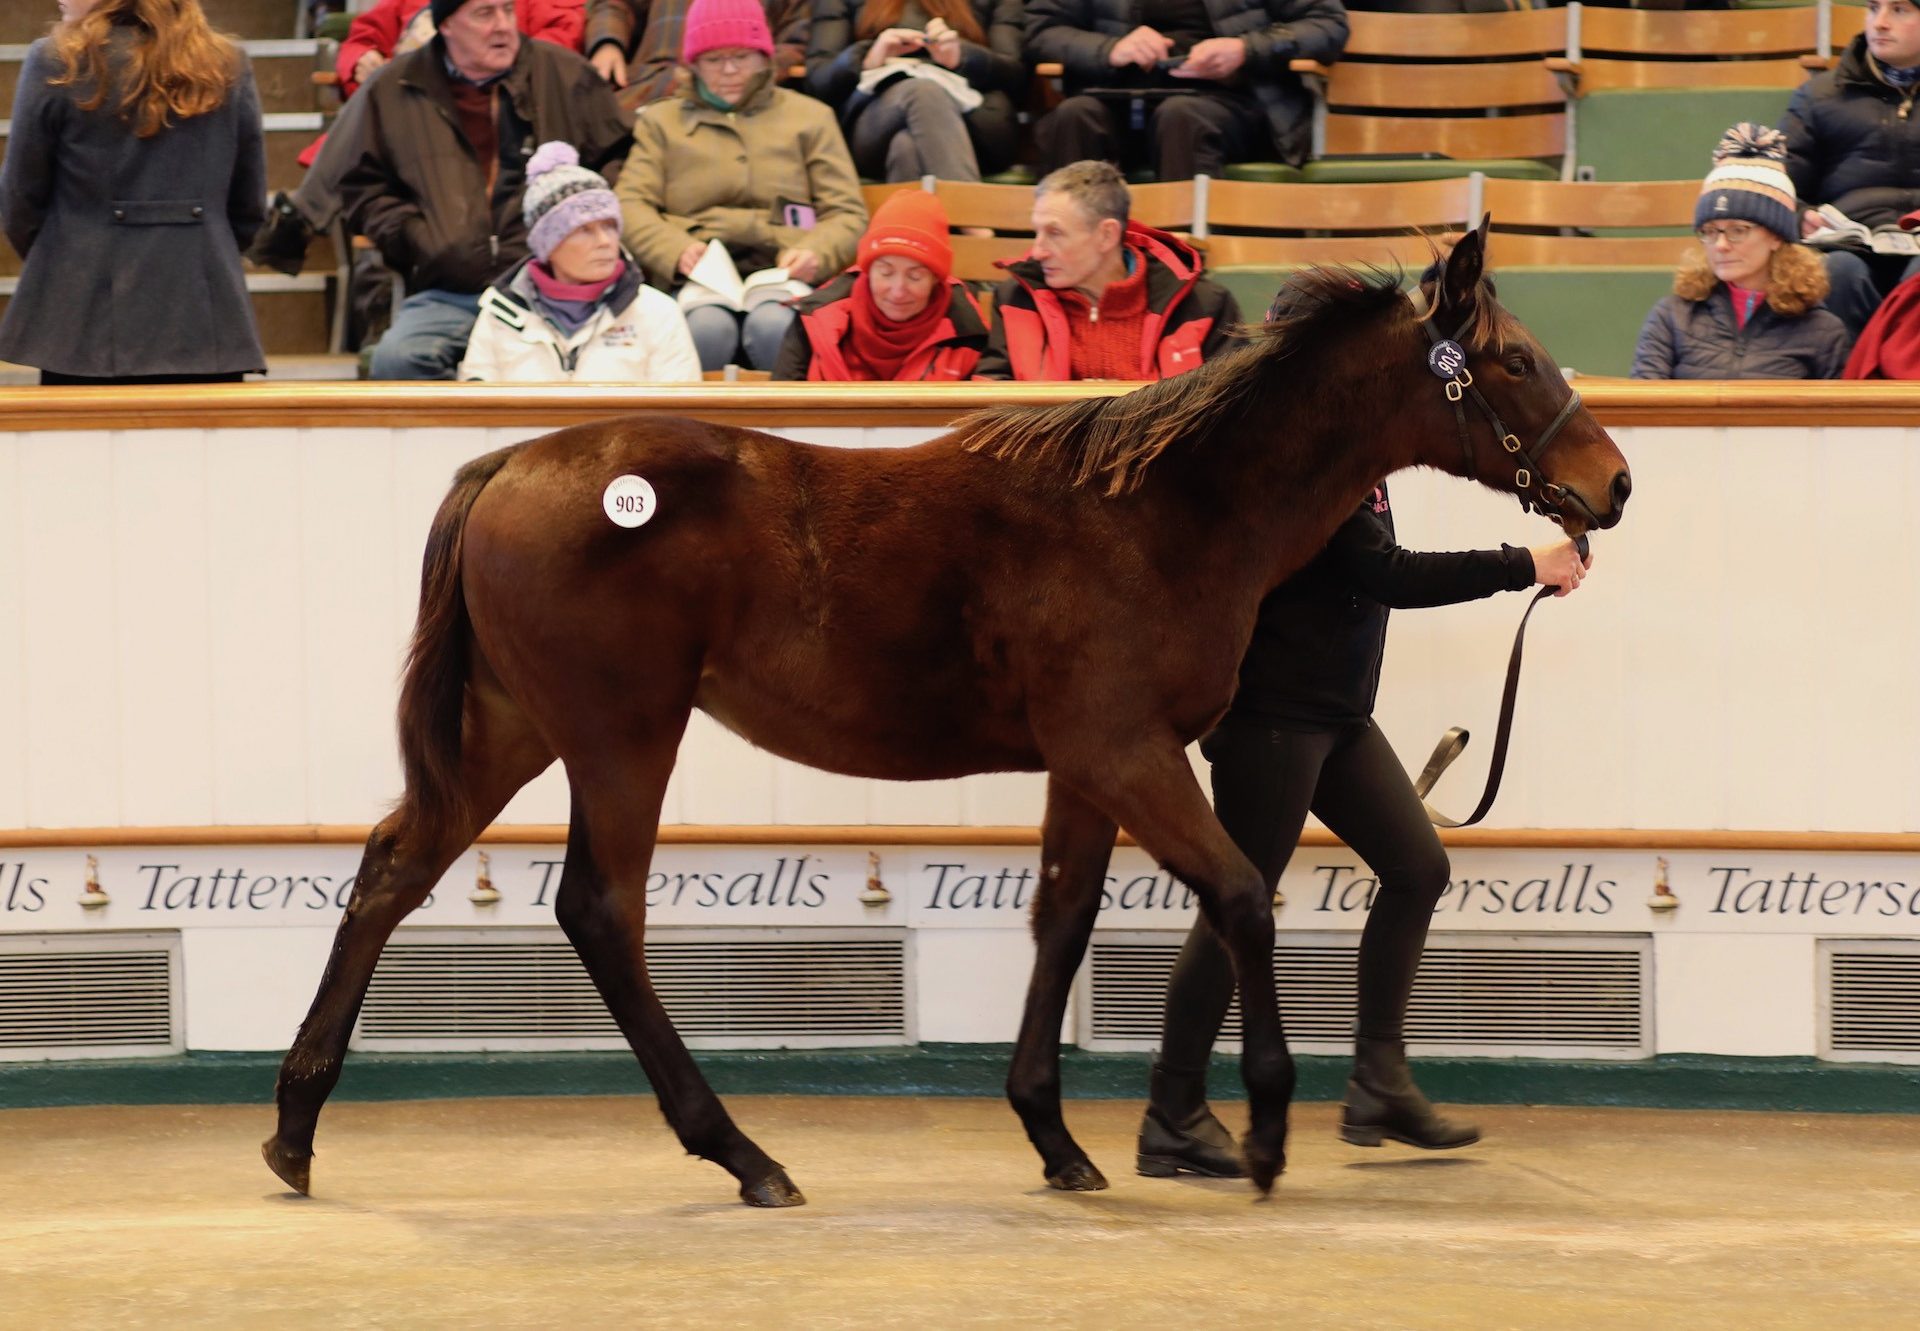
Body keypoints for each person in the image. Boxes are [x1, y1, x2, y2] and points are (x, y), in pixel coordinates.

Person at [1137, 400, 1595, 1179]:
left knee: (1419, 868)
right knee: (1238, 904)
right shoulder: (1295, 453)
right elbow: (1385, 571)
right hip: (1273, 718)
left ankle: (1379, 1081)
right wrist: (1525, 561)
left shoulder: (1350, 450)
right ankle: (1171, 1115)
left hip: (1337, 715)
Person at [339, 0, 631, 380]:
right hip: (448, 290)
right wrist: (416, 237)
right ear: (444, 25)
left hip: (554, 291)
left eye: (508, 10)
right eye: (484, 13)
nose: (503, 25)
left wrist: (579, 226)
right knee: (398, 360)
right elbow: (362, 186)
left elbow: (620, 160)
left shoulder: (565, 74)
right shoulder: (396, 87)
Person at [0, 0, 265, 383]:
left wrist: (66, 259)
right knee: (200, 443)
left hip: (81, 322)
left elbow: (21, 197)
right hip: (203, 316)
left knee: (83, 443)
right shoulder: (227, 63)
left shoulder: (56, 60)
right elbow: (249, 204)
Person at [245, 0, 587, 276]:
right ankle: (302, 218)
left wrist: (490, 54)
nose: (501, 18)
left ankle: (299, 216)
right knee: (386, 87)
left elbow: (564, 32)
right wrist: (358, 60)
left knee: (385, 93)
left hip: (500, 105)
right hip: (415, 110)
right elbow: (363, 35)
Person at [615, 0, 868, 372]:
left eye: (742, 57)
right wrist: (675, 250)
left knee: (776, 328)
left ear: (765, 57)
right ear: (694, 65)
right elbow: (630, 203)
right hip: (700, 273)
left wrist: (816, 252)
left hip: (785, 271)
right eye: (714, 60)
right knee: (705, 330)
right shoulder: (662, 122)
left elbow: (847, 211)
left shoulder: (810, 117)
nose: (730, 70)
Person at [973, 159, 1240, 381]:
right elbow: (987, 403)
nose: (1038, 250)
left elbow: (1238, 410)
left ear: (1107, 235)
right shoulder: (1015, 300)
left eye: (1055, 233)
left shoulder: (1205, 306)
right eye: (1037, 232)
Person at [1023, 0, 1348, 181]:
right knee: (1072, 116)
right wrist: (1109, 49)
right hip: (1115, 98)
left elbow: (1327, 24)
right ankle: (1068, 283)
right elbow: (1041, 31)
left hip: (1228, 102)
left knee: (1181, 117)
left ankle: (1182, 275)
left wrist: (1244, 50)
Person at [458, 141, 703, 381]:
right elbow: (474, 415)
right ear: (549, 245)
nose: (605, 241)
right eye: (584, 230)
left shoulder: (656, 313)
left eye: (609, 226)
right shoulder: (500, 314)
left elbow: (680, 417)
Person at [1632, 124, 1851, 381]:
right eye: (1711, 231)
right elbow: (1645, 411)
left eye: (1738, 230)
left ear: (1776, 236)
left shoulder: (1823, 332)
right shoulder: (1671, 316)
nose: (1721, 245)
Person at [1783, 0, 1920, 336]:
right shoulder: (1819, 96)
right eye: (1873, 8)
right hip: (1847, 243)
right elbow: (1777, 187)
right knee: (1839, 271)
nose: (1880, 22)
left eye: (1899, 10)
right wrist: (1801, 215)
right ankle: (1847, 386)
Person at [772, 189, 988, 379]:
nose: (898, 291)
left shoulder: (969, 335)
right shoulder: (815, 318)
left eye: (915, 277)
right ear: (867, 271)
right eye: (885, 273)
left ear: (936, 279)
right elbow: (779, 413)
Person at [803, 0, 1024, 183]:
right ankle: (974, 224)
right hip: (872, 121)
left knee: (906, 147)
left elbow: (1017, 76)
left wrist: (962, 57)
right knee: (921, 91)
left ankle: (913, 235)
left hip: (975, 123)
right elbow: (818, 81)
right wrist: (867, 58)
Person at [585, 0, 809, 111]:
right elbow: (615, 5)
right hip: (653, 85)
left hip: (741, 97)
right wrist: (607, 42)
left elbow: (797, 44)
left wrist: (753, 74)